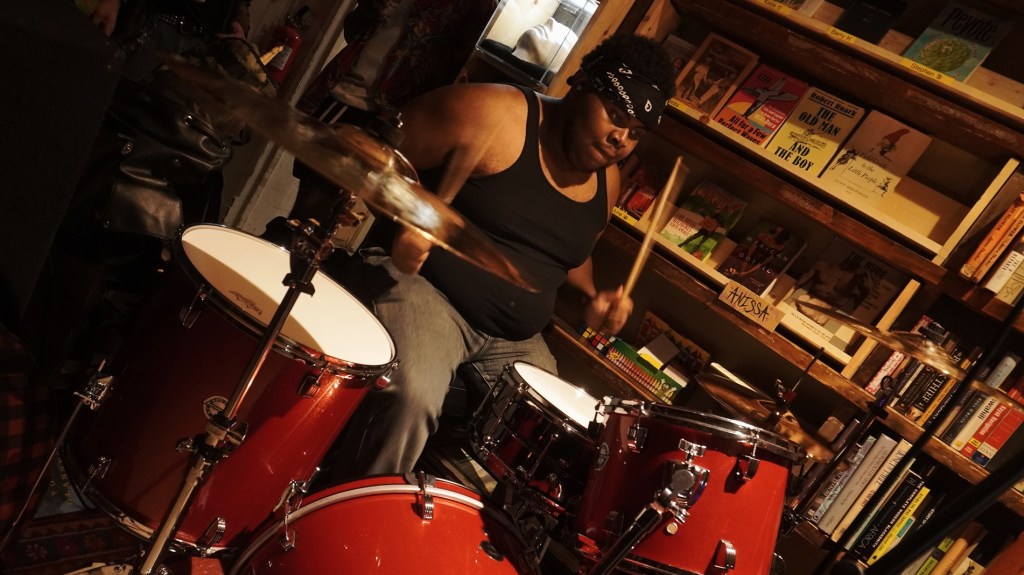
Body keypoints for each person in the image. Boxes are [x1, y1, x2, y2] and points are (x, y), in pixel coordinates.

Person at [315, 33, 677, 479]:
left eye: (636, 133)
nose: (620, 139)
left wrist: (593, 298)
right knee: (413, 397)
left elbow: (567, 253)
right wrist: (411, 216)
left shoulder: (609, 183)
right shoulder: (491, 113)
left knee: (552, 441)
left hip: (516, 338)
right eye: (616, 116)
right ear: (582, 83)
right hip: (430, 291)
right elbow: (369, 150)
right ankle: (350, 506)